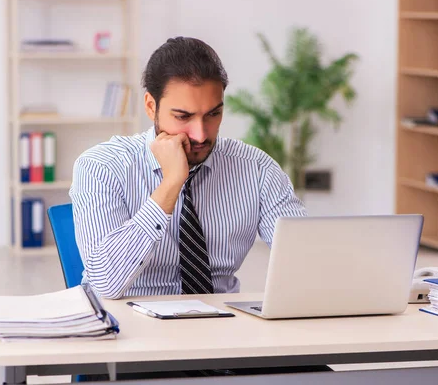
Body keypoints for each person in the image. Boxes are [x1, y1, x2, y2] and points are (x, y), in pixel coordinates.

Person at [69, 36, 306, 300]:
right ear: (151, 106)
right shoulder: (101, 167)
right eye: (183, 117)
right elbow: (105, 284)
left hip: (221, 325)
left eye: (213, 114)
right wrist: (170, 184)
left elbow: (307, 263)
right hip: (128, 325)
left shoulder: (257, 170)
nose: (200, 134)